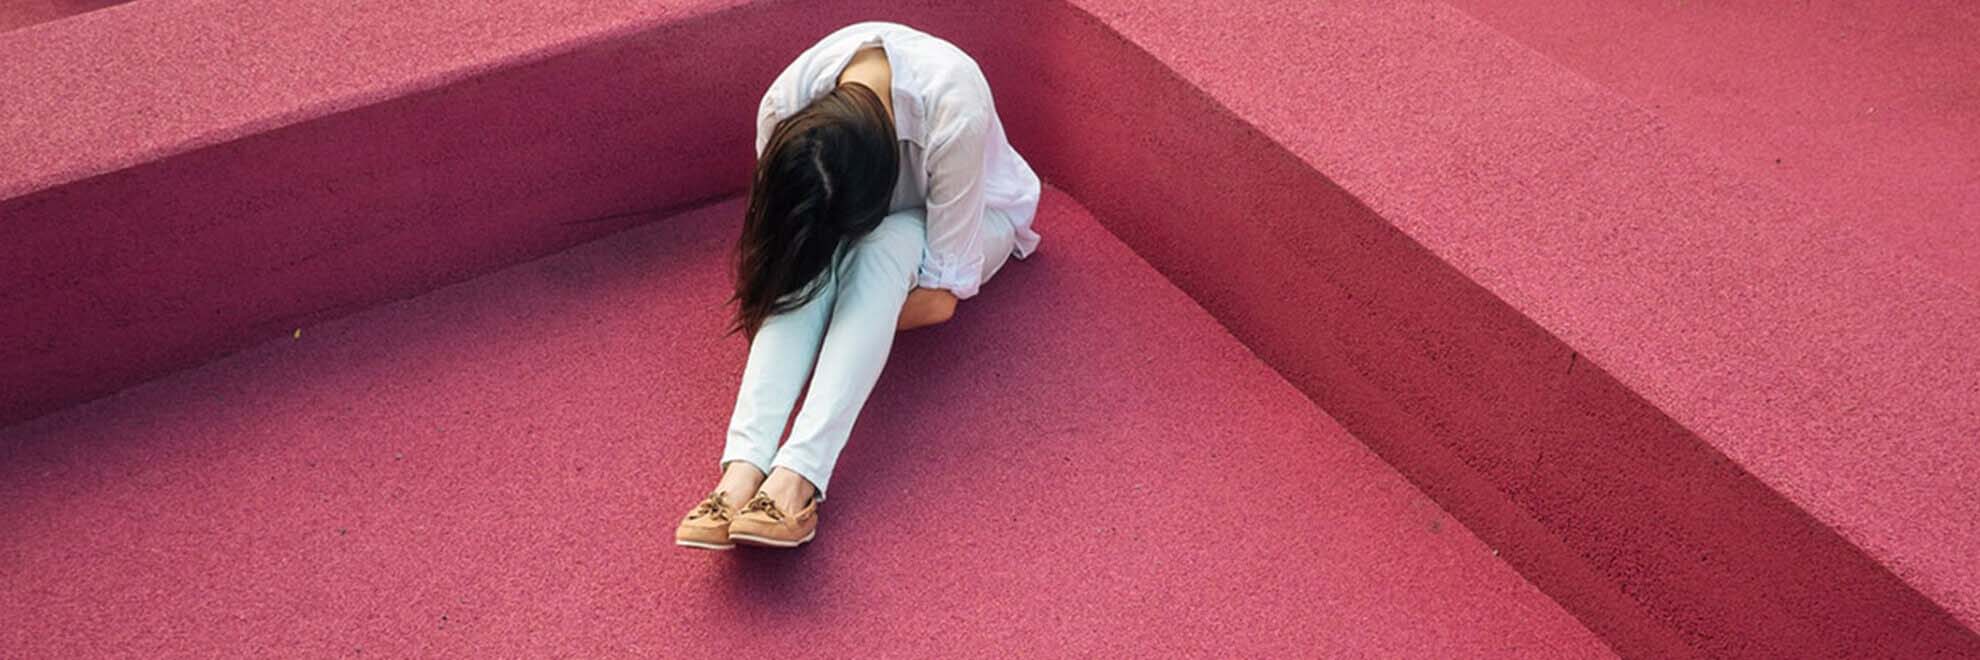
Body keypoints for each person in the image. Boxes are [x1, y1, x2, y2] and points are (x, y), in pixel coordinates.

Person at [675, 21, 1042, 550]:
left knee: (883, 245)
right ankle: (740, 473)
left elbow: (939, 300)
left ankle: (797, 476)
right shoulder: (785, 109)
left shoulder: (952, 107)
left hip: (980, 218)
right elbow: (785, 249)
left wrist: (837, 314)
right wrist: (809, 290)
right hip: (873, 222)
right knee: (804, 271)